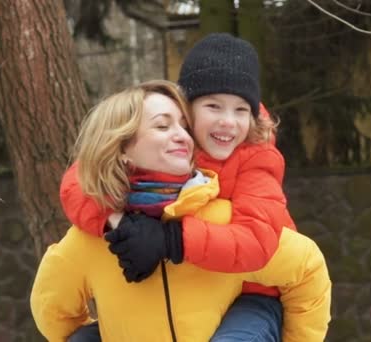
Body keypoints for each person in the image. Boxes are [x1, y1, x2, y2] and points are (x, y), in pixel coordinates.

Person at [60, 33, 316, 341]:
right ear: (186, 108)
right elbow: (81, 180)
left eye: (240, 110)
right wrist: (119, 223)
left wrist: (169, 240)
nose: (228, 122)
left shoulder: (257, 159)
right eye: (213, 106)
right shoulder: (171, 144)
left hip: (250, 293)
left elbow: (256, 241)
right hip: (184, 287)